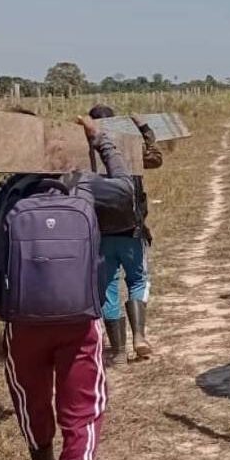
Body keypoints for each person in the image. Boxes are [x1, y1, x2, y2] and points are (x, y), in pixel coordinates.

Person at [0, 115, 135, 460]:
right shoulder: (82, 187)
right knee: (82, 412)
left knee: (32, 402)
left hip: (22, 325)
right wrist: (102, 141)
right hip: (80, 322)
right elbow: (127, 190)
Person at [87, 104, 163, 365]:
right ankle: (139, 337)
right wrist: (144, 128)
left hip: (100, 234)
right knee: (138, 281)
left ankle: (118, 351)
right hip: (132, 230)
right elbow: (156, 157)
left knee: (107, 288)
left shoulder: (83, 154)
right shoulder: (129, 150)